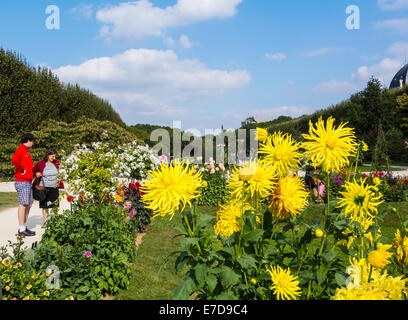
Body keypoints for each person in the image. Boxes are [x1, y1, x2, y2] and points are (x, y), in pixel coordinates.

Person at [11, 133, 36, 237]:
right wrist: (22, 169)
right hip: (22, 180)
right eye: (33, 141)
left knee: (28, 205)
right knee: (23, 204)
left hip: (28, 181)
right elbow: (14, 160)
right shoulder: (21, 150)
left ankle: (24, 226)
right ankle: (21, 229)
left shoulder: (26, 152)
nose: (33, 143)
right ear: (28, 140)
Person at [33, 148, 64, 222]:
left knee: (55, 206)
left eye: (55, 156)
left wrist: (61, 175)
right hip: (44, 188)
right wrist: (36, 174)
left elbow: (62, 171)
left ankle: (53, 222)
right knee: (45, 206)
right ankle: (47, 223)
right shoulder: (41, 163)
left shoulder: (57, 163)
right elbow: (33, 171)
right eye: (52, 156)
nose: (54, 158)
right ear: (48, 155)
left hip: (54, 187)